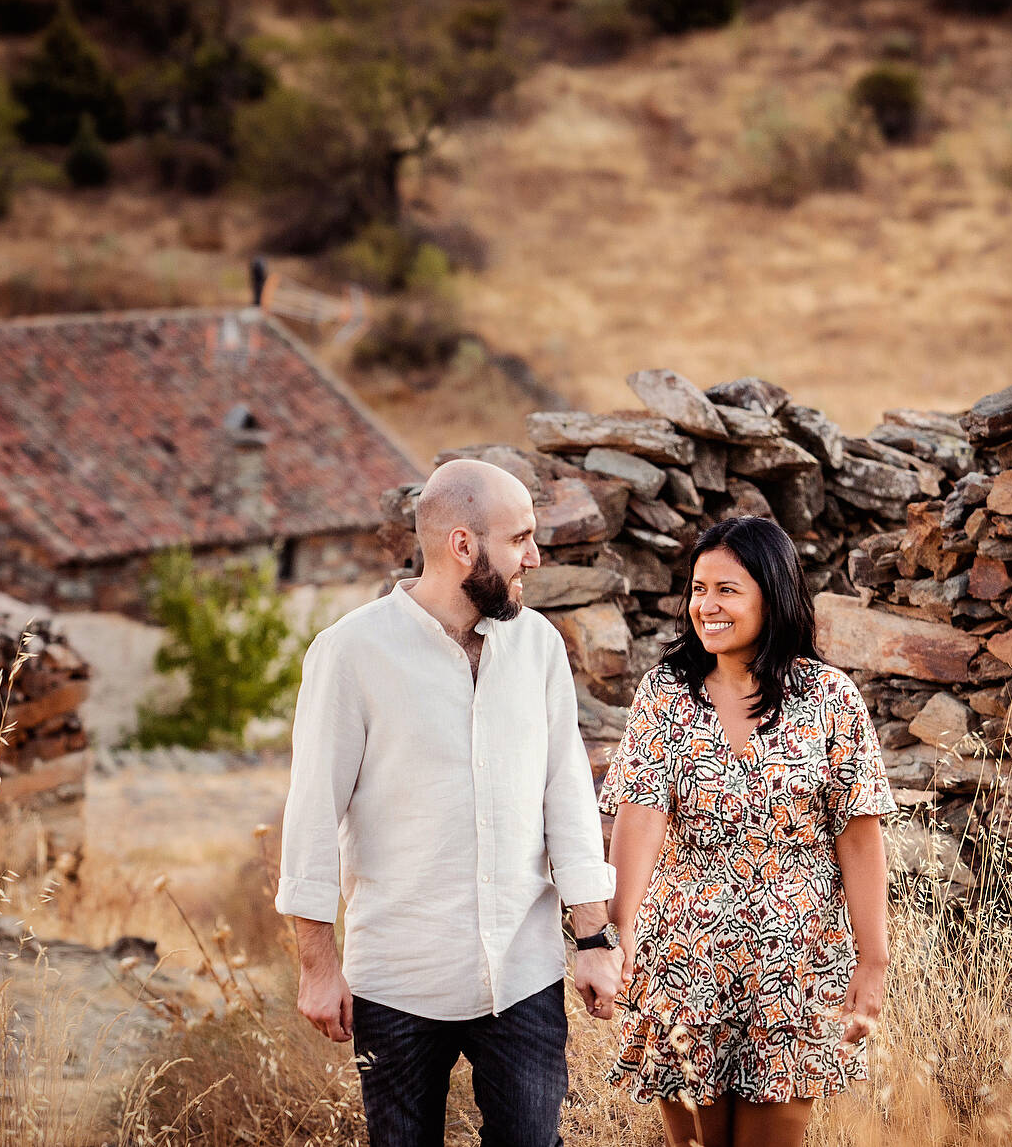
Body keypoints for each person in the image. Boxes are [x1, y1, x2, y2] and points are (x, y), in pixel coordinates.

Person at [275, 458, 623, 1147]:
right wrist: (318, 964)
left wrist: (593, 937)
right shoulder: (350, 652)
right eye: (520, 537)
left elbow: (569, 798)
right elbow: (311, 812)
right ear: (463, 544)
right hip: (399, 979)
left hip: (523, 976)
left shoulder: (540, 646)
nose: (535, 555)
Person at [601, 515, 892, 1147]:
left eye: (726, 589)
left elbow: (860, 838)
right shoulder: (667, 692)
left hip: (795, 967)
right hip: (682, 964)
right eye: (698, 588)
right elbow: (641, 819)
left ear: (772, 592)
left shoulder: (830, 698)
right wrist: (616, 934)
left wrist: (873, 960)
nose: (706, 604)